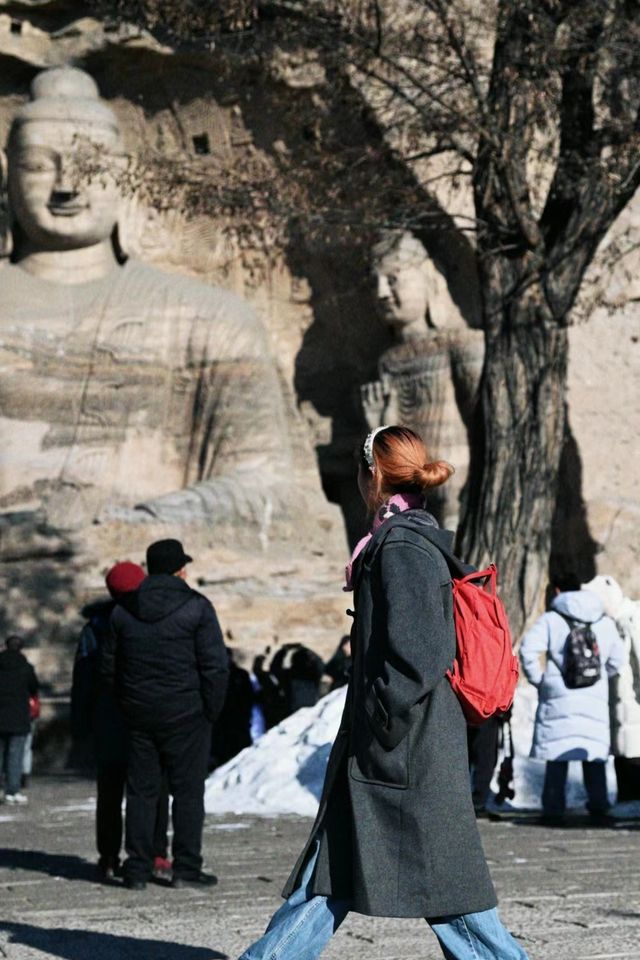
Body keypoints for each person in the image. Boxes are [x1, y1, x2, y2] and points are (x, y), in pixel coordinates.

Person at [239, 425, 529, 960]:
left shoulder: (402, 547)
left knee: (450, 891)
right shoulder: (398, 541)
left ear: (374, 474)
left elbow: (419, 653)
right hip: (390, 750)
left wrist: (381, 717)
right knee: (330, 874)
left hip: (405, 750)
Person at [101, 539, 229, 890]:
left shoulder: (123, 611)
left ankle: (137, 868)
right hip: (187, 715)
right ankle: (186, 867)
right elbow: (215, 666)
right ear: (180, 569)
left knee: (141, 793)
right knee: (188, 792)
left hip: (140, 715)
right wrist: (209, 711)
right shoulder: (197, 607)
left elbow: (109, 668)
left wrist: (127, 704)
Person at [71, 561, 171, 881]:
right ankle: (154, 852)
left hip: (108, 719)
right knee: (152, 788)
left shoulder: (95, 627)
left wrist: (82, 724)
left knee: (110, 790)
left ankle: (109, 855)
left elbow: (83, 680)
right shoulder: (158, 618)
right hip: (148, 715)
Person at [520, 575, 625, 824]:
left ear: (557, 590)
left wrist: (542, 680)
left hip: (559, 695)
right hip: (593, 697)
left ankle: (554, 809)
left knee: (557, 755)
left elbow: (527, 651)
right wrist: (598, 678)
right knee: (593, 754)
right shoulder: (603, 620)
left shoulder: (551, 619)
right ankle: (599, 806)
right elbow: (616, 659)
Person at [582, 574, 640, 804]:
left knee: (632, 754)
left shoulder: (631, 621)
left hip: (633, 708)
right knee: (624, 753)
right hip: (623, 709)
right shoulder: (617, 622)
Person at [0, 636, 39, 804]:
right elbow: (34, 688)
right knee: (15, 755)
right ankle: (12, 790)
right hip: (19, 716)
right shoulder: (26, 667)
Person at [209, 648, 254, 769]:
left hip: (237, 722)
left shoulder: (240, 675)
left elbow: (248, 697)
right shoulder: (213, 675)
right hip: (220, 724)